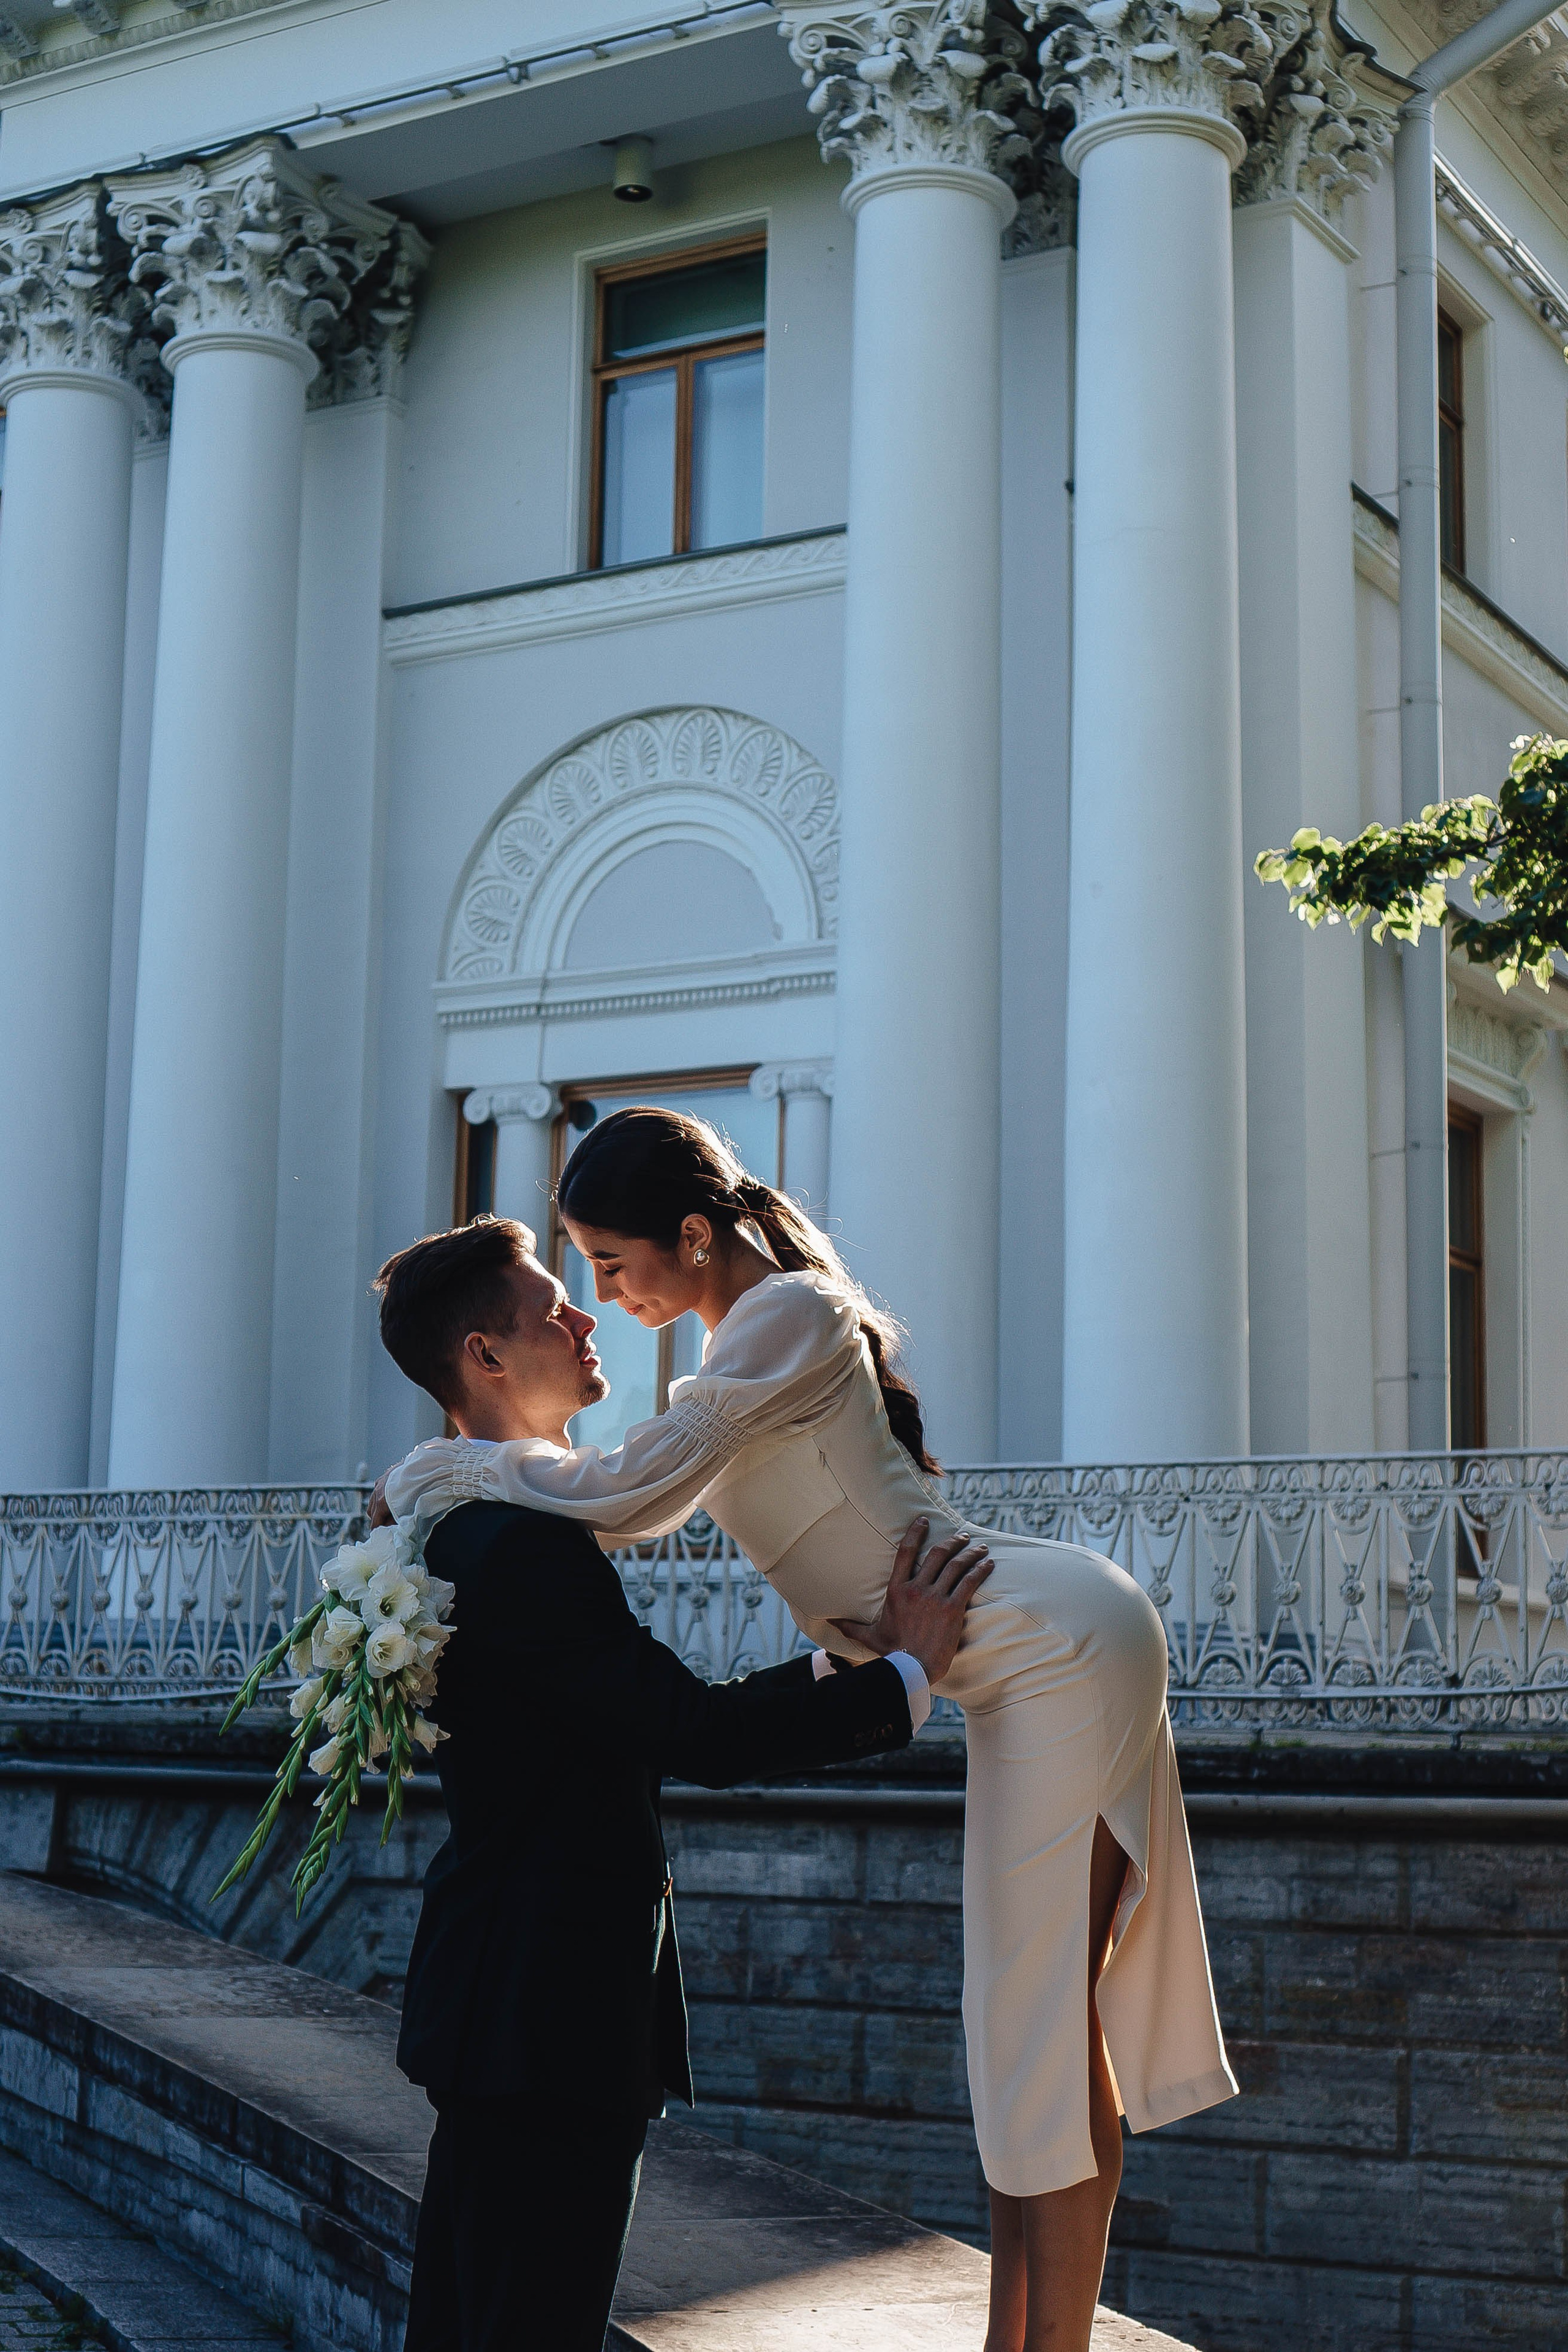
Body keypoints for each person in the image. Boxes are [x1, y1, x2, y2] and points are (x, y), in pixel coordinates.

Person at [385, 1107, 1239, 2352]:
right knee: (1014, 2034)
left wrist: (437, 1473)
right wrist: (459, 1474)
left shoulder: (785, 1312)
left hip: (1048, 1647)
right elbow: (627, 1507)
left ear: (690, 1233)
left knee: (1035, 2035)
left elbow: (618, 1496)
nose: (602, 1297)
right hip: (1002, 1659)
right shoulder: (735, 1346)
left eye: (612, 1266)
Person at [372, 1215, 992, 2352]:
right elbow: (689, 1731)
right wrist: (904, 1674)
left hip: (505, 2002)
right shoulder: (521, 1545)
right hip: (549, 2015)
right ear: (486, 1358)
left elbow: (625, 1709)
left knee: (471, 2318)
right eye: (552, 1306)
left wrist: (839, 1664)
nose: (587, 1313)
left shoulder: (453, 1526)